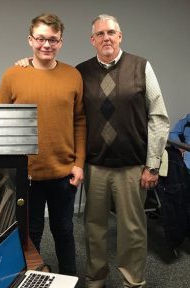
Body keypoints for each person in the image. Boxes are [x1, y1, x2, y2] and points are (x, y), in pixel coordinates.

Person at [75, 14, 170, 288]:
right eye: (100, 34)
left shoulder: (141, 67)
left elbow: (159, 117)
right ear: (92, 40)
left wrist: (152, 165)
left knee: (132, 230)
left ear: (120, 36)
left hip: (132, 167)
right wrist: (27, 63)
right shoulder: (81, 72)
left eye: (111, 32)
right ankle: (96, 280)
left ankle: (132, 282)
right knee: (94, 229)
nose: (106, 37)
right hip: (96, 166)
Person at [0, 13, 86, 276]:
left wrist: (79, 163)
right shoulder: (13, 75)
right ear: (30, 40)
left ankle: (70, 280)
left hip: (64, 174)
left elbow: (80, 121)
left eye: (53, 39)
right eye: (41, 38)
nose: (46, 45)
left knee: (64, 232)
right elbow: (1, 125)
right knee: (30, 234)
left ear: (61, 42)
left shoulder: (73, 75)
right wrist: (8, 168)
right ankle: (32, 279)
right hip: (27, 175)